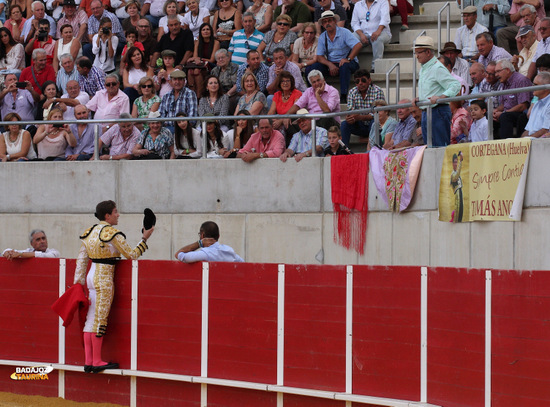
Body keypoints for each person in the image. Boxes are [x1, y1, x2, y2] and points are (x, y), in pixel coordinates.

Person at [73, 200, 154, 373]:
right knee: (100, 319)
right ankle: (96, 361)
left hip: (90, 276)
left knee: (90, 319)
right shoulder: (112, 233)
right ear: (107, 215)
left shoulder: (89, 232)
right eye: (116, 212)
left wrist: (78, 284)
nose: (118, 215)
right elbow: (131, 255)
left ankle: (88, 361)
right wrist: (144, 239)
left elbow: (81, 260)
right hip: (103, 277)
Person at [414, 36, 460, 147]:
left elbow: (455, 85)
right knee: (430, 147)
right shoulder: (425, 68)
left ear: (428, 52)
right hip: (428, 111)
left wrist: (442, 97)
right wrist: (420, 98)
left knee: (439, 147)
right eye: (416, 53)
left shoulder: (437, 68)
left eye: (419, 52)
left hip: (438, 111)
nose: (417, 56)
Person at [309, 11, 361, 102]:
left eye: (329, 21)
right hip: (332, 63)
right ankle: (313, 93)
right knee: (312, 68)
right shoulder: (322, 37)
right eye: (325, 22)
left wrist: (348, 59)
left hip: (348, 62)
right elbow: (320, 56)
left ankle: (344, 95)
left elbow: (358, 45)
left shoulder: (344, 32)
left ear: (335, 21)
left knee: (344, 66)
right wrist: (329, 64)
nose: (327, 23)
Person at [341, 68, 385, 146]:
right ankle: (344, 151)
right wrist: (350, 118)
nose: (360, 83)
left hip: (374, 124)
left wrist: (359, 117)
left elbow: (378, 114)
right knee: (345, 124)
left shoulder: (378, 91)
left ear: (369, 80)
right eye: (357, 81)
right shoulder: (352, 92)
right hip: (359, 124)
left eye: (363, 80)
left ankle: (376, 148)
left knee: (375, 122)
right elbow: (351, 111)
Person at [493, 58, 532, 138]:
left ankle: (506, 146)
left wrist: (504, 113)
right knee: (488, 117)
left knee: (505, 117)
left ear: (507, 70)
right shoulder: (504, 81)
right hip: (508, 112)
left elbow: (523, 106)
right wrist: (496, 111)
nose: (496, 75)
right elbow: (504, 104)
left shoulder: (521, 80)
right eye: (495, 72)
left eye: (498, 71)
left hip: (521, 114)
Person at [350, 0, 391, 73]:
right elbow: (354, 23)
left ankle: (375, 67)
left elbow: (385, 19)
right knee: (351, 38)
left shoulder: (383, 2)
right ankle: (352, 64)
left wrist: (378, 31)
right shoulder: (358, 4)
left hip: (382, 32)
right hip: (363, 33)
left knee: (377, 39)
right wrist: (361, 34)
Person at [175, 221, 243, 263]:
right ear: (218, 236)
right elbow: (243, 263)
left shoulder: (205, 254)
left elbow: (178, 254)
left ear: (202, 235)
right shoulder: (230, 251)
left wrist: (199, 243)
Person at [267, 70, 302, 141]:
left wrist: (281, 120)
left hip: (292, 121)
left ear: (291, 82)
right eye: (283, 81)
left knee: (285, 123)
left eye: (287, 81)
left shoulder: (297, 93)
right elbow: (271, 113)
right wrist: (275, 121)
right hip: (279, 120)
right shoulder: (277, 94)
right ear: (279, 83)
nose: (285, 83)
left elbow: (295, 110)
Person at [187, 23, 220, 97]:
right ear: (200, 32)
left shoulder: (216, 43)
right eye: (203, 30)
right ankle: (192, 94)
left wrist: (200, 59)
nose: (206, 31)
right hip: (199, 64)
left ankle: (199, 95)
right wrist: (197, 59)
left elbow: (212, 60)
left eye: (208, 29)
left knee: (197, 71)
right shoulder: (198, 42)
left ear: (211, 31)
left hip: (211, 65)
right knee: (190, 71)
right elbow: (195, 57)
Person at [521, 71, 550, 137]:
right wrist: (521, 141)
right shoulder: (536, 104)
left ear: (546, 88)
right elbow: (528, 130)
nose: (532, 87)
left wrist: (526, 141)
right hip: (532, 141)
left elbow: (545, 130)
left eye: (536, 85)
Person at [450, 151, 463, 223]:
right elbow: (457, 174)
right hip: (457, 195)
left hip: (459, 193)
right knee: (458, 213)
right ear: (452, 163)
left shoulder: (454, 173)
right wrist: (461, 161)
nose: (455, 164)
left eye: (456, 162)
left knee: (460, 213)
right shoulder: (453, 174)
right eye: (454, 162)